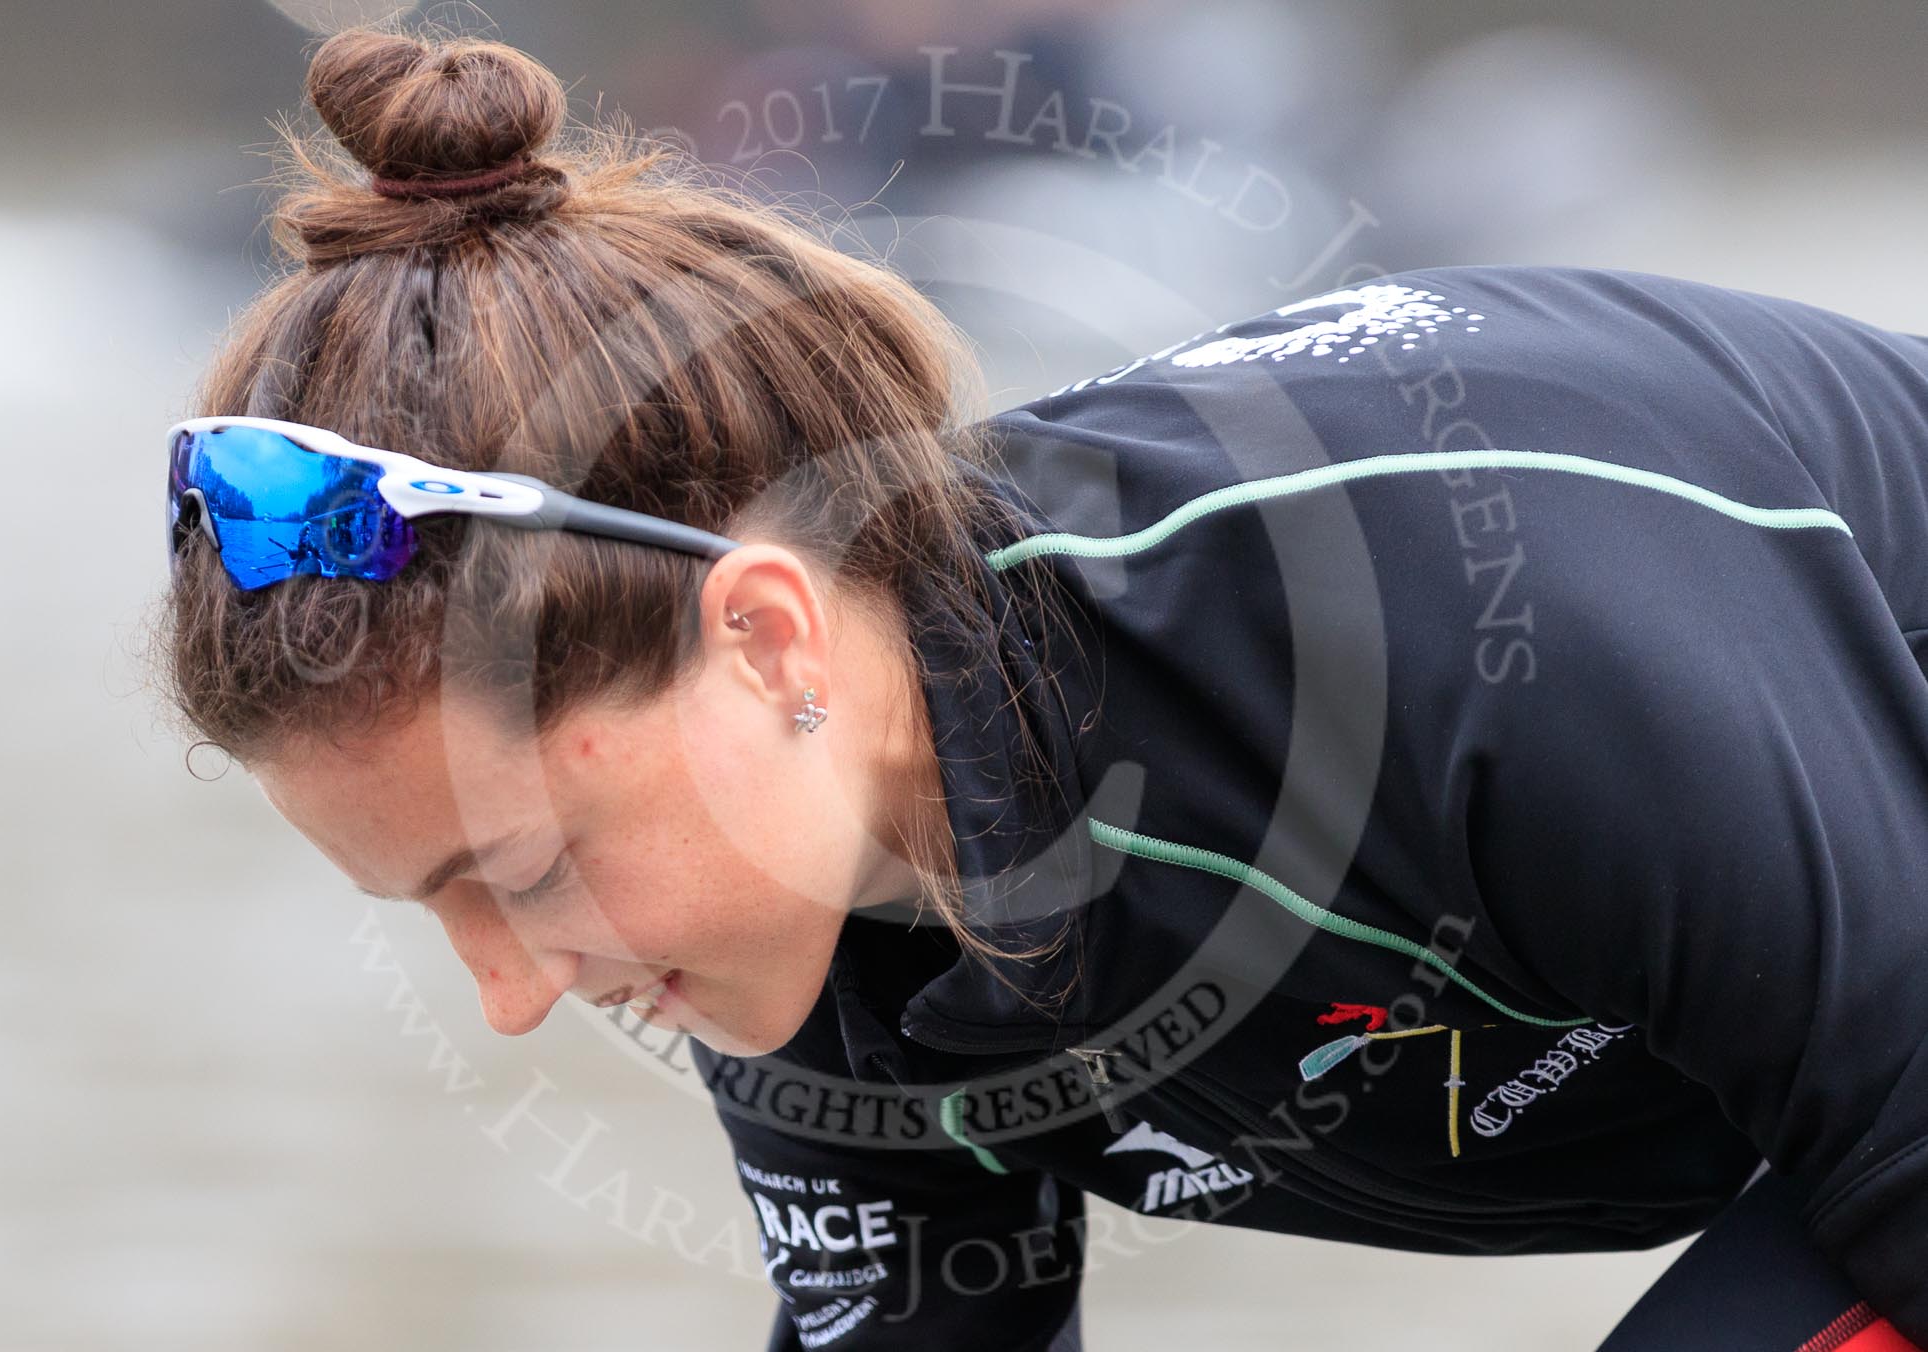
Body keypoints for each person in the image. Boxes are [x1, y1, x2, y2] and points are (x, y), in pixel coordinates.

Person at [152, 25, 1928, 1352]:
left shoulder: (1476, 633)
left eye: (526, 871)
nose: (511, 1002)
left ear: (768, 642)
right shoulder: (797, 912)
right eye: (435, 912)